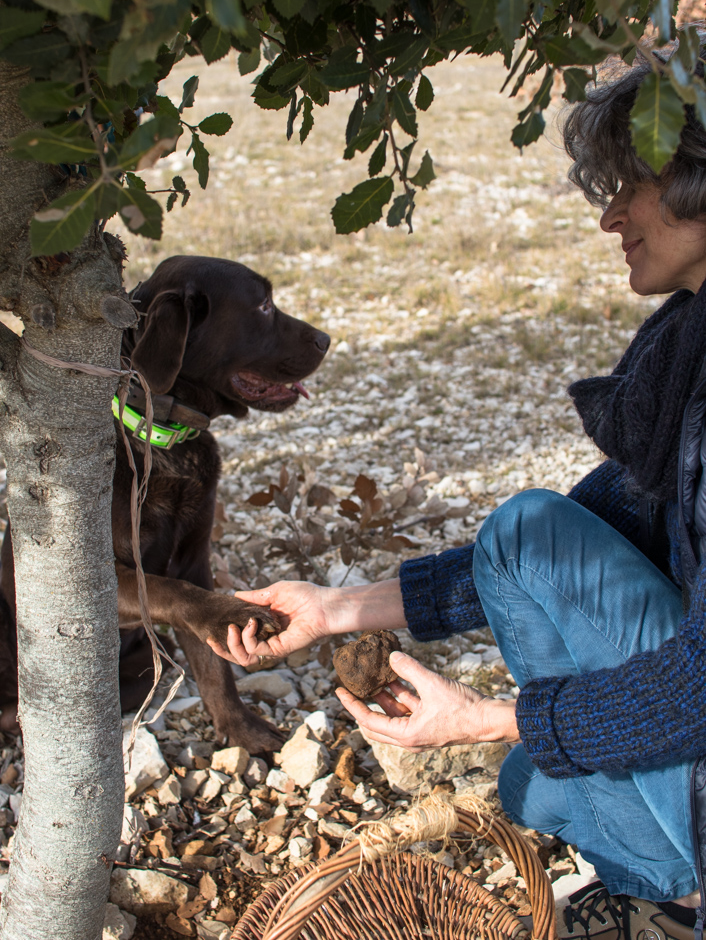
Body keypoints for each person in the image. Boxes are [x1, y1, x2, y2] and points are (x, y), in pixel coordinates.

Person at [208, 48, 706, 940]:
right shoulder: (690, 357)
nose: (610, 216)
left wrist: (483, 717)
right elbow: (591, 524)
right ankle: (671, 896)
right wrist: (334, 609)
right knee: (530, 782)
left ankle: (685, 893)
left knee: (534, 736)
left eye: (633, 184)